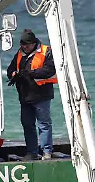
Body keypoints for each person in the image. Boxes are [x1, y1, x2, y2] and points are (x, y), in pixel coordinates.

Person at [7, 29, 58, 160]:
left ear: (34, 43)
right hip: (25, 96)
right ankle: (32, 152)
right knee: (27, 124)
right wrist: (13, 74)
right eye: (22, 44)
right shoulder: (20, 53)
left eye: (27, 45)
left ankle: (46, 152)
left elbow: (49, 69)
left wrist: (31, 73)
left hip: (42, 95)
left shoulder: (46, 51)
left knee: (44, 124)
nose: (25, 47)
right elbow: (11, 68)